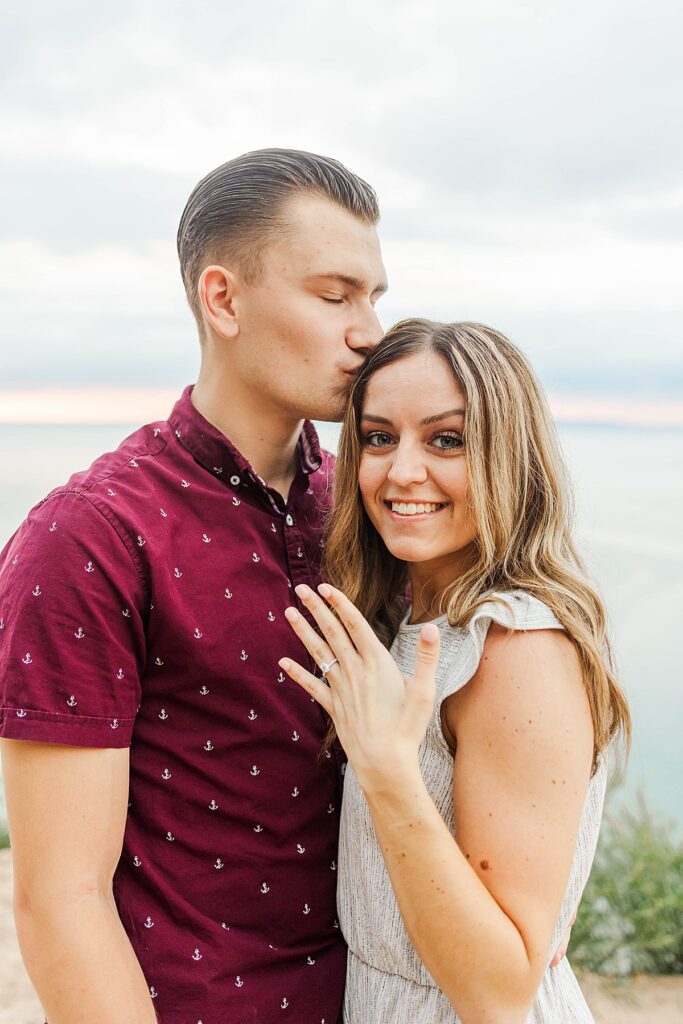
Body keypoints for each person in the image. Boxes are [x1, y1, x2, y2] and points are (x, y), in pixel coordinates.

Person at [0, 149, 387, 1024]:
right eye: (334, 296)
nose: (367, 331)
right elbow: (59, 900)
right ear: (223, 300)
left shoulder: (368, 504)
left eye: (374, 299)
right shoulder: (88, 536)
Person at [279, 320, 631, 1024]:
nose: (401, 471)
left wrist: (385, 770)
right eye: (378, 437)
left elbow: (498, 992)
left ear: (509, 456)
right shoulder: (410, 621)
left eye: (447, 439)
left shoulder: (514, 646)